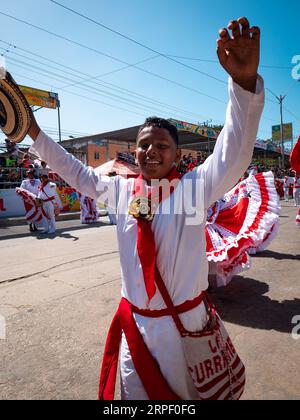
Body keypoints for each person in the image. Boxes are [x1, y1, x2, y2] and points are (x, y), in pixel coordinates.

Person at [21, 17, 264, 400]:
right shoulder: (119, 190)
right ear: (135, 151)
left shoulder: (193, 189)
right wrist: (33, 131)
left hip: (188, 329)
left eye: (161, 145)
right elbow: (74, 170)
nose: (151, 151)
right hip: (138, 329)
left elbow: (233, 153)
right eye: (144, 145)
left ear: (177, 154)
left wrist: (243, 85)